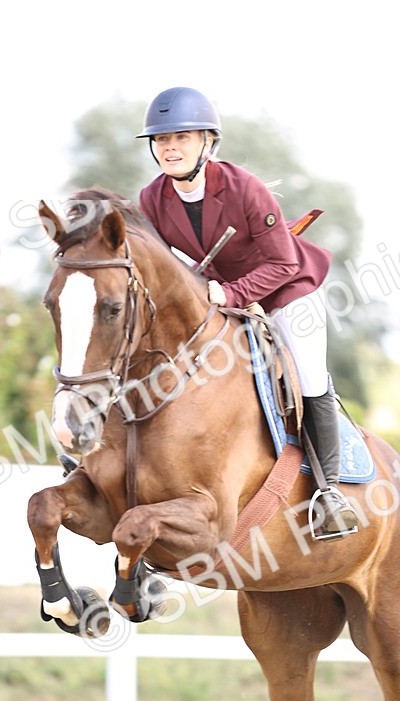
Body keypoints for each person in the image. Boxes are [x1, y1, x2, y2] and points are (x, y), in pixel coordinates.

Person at [136, 86, 358, 536]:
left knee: (310, 375)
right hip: (218, 296)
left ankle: (328, 491)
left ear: (208, 143)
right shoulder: (151, 200)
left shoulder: (245, 189)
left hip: (285, 292)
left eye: (182, 137)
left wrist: (230, 295)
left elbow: (285, 262)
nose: (170, 148)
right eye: (162, 140)